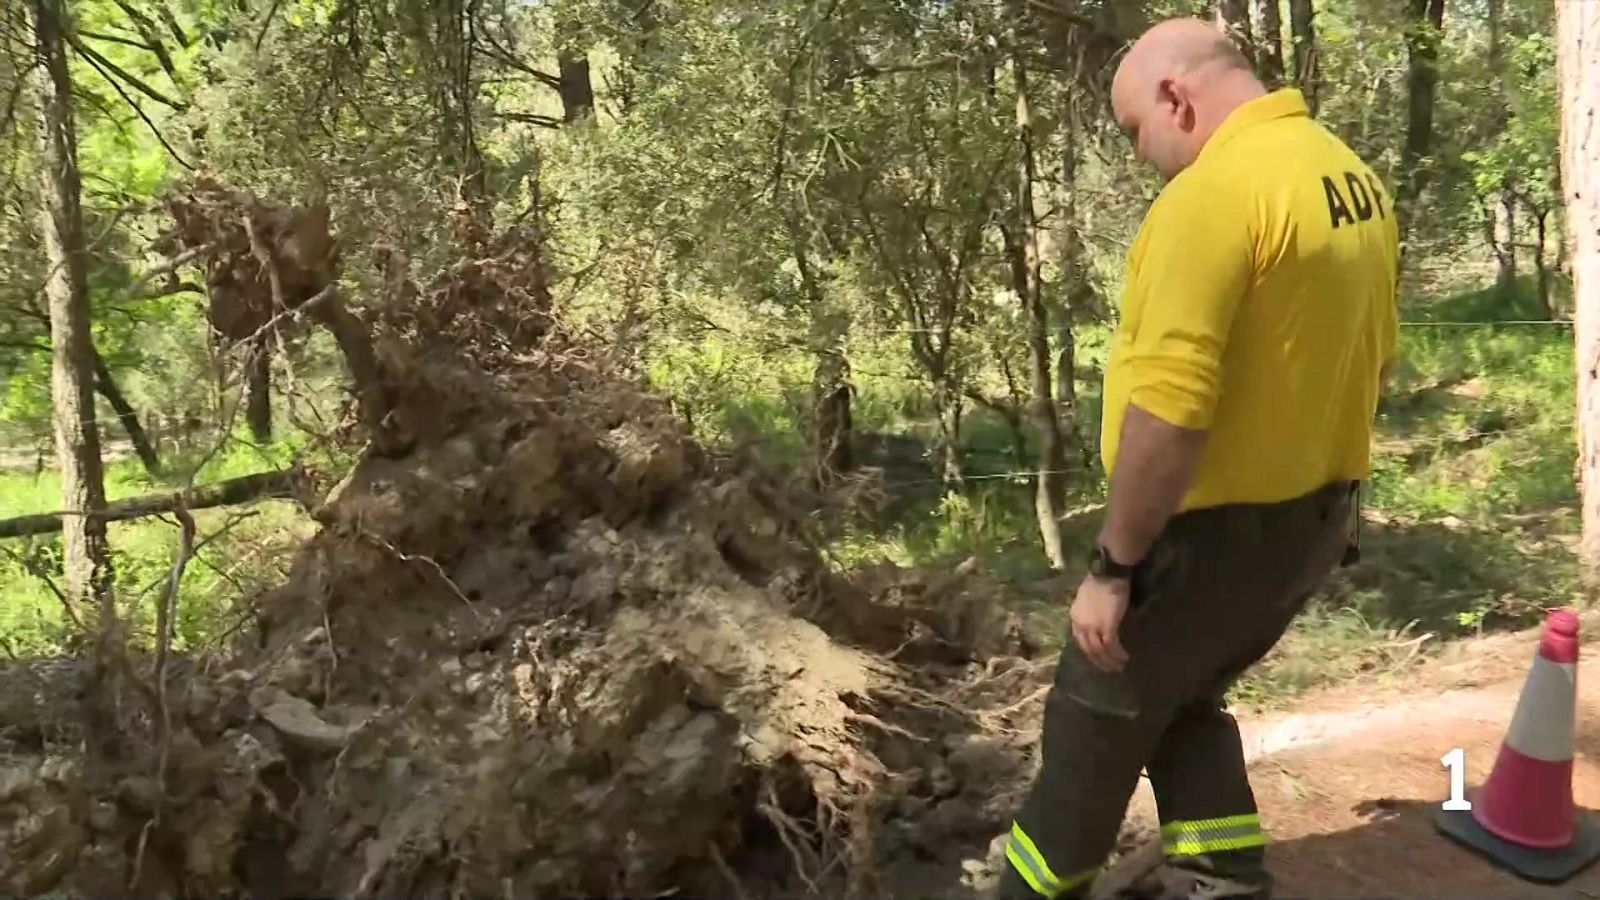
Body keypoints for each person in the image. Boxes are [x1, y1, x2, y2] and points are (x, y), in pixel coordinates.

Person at [996, 16, 1398, 900]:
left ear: (1176, 96)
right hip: (1314, 525)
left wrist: (1113, 566)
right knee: (1184, 699)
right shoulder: (1345, 175)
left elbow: (1171, 412)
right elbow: (1374, 356)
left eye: (1137, 129)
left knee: (1087, 739)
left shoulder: (1213, 198)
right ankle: (1222, 874)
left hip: (1203, 543)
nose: (1144, 154)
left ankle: (1027, 891)